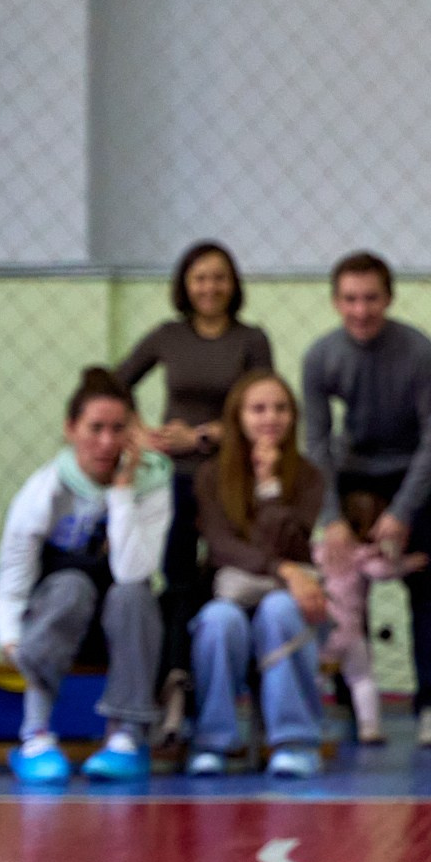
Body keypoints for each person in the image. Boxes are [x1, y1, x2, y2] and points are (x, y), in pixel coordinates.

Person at [117, 241, 275, 740]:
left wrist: (203, 436)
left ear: (234, 284)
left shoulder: (251, 339)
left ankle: (245, 703)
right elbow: (113, 384)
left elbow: (265, 410)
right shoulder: (168, 336)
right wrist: (140, 434)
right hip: (174, 480)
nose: (210, 287)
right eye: (200, 277)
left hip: (233, 480)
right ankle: (175, 691)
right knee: (179, 581)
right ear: (185, 285)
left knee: (239, 579)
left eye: (220, 277)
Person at [0, 368, 172, 784]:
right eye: (95, 428)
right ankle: (35, 736)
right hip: (57, 614)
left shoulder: (152, 484)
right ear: (71, 429)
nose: (107, 442)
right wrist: (11, 639)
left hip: (119, 620)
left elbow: (133, 571)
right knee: (72, 586)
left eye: (118, 429)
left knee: (135, 594)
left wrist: (123, 491)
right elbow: (12, 579)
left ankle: (127, 737)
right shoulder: (44, 490)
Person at [301, 250, 431, 747]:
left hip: (414, 482)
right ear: (335, 302)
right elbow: (317, 444)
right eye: (349, 299)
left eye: (370, 299)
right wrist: (331, 517)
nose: (360, 310)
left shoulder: (418, 352)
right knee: (346, 598)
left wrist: (402, 511)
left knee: (426, 592)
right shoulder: (322, 357)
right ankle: (352, 707)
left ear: (388, 299)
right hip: (350, 483)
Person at [187, 371, 328, 779]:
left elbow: (293, 542)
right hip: (234, 593)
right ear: (239, 417)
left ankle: (294, 741)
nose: (271, 418)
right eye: (259, 409)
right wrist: (280, 568)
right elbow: (220, 544)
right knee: (218, 621)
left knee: (281, 610)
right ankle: (214, 743)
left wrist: (269, 486)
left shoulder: (308, 477)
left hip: (287, 595)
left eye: (281, 408)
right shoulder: (211, 476)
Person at [314, 489, 427, 745]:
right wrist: (406, 563)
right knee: (362, 679)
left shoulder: (322, 551)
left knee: (315, 679)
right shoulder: (364, 556)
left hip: (322, 632)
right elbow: (383, 571)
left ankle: (312, 724)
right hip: (352, 633)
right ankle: (370, 728)